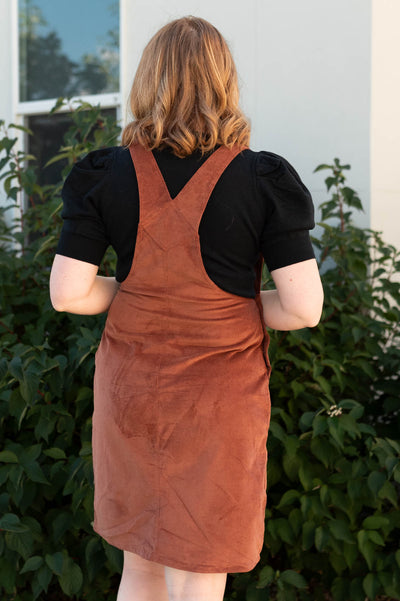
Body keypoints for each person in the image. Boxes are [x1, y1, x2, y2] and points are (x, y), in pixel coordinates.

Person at [49, 15, 323, 601]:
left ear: (149, 82)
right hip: (216, 407)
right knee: (199, 570)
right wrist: (223, 309)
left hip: (131, 395)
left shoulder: (106, 174)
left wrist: (144, 296)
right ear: (224, 82)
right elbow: (303, 308)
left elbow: (69, 293)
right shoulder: (260, 178)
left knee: (142, 563)